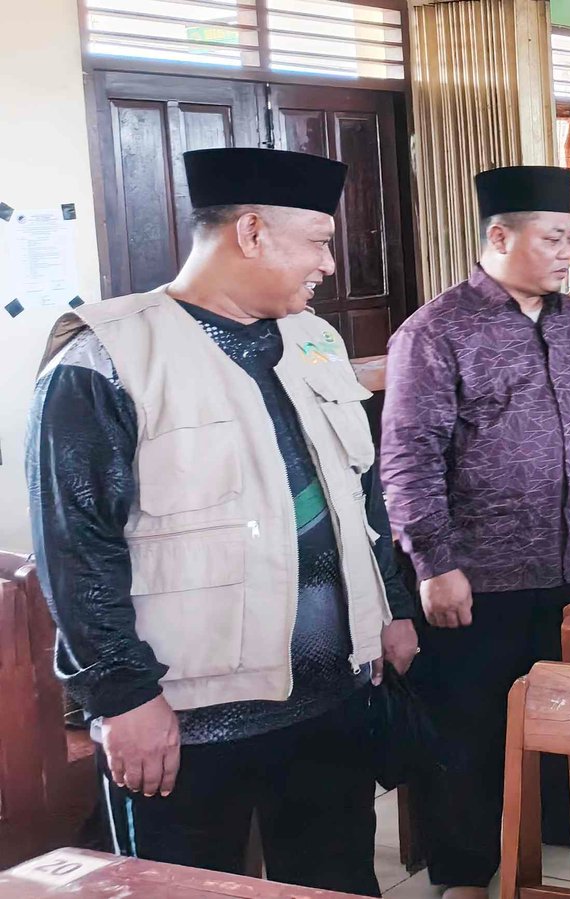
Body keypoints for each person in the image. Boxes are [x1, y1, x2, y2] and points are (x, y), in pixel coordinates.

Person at [28, 148, 417, 895]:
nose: (330, 264)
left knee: (334, 879)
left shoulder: (316, 341)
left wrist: (392, 609)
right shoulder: (105, 358)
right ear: (251, 231)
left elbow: (360, 496)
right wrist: (123, 697)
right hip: (186, 719)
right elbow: (76, 550)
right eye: (319, 241)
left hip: (328, 700)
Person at [382, 166, 570, 897]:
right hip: (477, 578)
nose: (567, 254)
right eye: (553, 238)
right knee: (469, 736)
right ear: (499, 236)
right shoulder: (436, 332)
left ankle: (566, 848)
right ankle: (465, 875)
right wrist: (433, 562)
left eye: (569, 239)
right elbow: (407, 458)